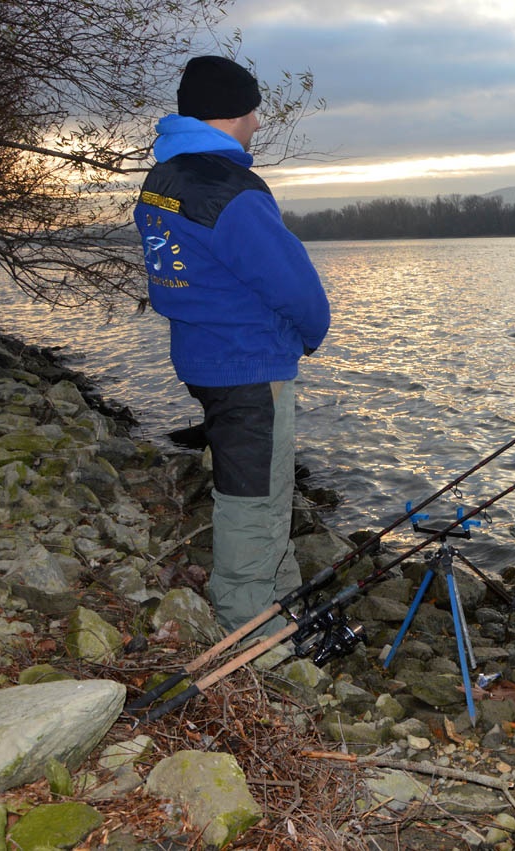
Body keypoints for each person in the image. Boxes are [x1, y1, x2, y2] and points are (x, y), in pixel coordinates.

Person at [133, 55, 331, 637]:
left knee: (256, 480)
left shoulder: (162, 181)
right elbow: (295, 285)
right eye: (253, 112)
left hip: (200, 358)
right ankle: (251, 633)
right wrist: (309, 335)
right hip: (248, 366)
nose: (257, 124)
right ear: (234, 115)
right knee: (255, 498)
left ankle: (285, 604)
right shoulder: (230, 188)